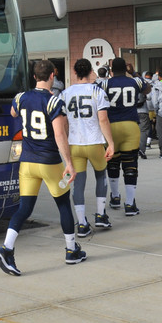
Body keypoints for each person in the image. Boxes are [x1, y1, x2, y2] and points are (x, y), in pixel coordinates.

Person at [0, 59, 84, 275]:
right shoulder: (54, 102)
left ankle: (6, 248)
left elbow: (13, 113)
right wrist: (69, 162)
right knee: (63, 205)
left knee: (24, 208)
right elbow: (60, 134)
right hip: (49, 161)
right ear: (53, 75)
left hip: (27, 161)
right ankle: (71, 250)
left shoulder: (22, 97)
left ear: (35, 77)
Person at [61, 58, 115, 237]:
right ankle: (101, 214)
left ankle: (82, 223)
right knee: (101, 176)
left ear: (75, 72)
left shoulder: (65, 93)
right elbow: (103, 119)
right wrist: (111, 143)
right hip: (94, 142)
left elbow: (63, 123)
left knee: (78, 183)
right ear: (91, 71)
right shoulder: (97, 91)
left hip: (74, 143)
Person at [102, 57, 145, 215]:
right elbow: (147, 88)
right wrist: (133, 73)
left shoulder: (106, 83)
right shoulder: (135, 81)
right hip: (131, 125)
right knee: (130, 165)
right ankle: (129, 204)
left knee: (112, 163)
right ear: (125, 69)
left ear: (111, 70)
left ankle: (114, 197)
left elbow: (96, 89)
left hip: (111, 126)